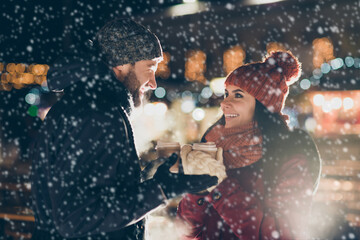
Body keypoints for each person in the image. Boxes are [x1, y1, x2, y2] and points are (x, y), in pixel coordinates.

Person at [30, 18, 218, 240]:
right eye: (149, 68)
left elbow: (94, 196)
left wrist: (151, 179)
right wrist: (160, 190)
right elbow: (77, 216)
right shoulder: (96, 115)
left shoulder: (88, 106)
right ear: (120, 64)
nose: (153, 83)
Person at [177, 51, 322, 239]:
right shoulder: (213, 144)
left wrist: (221, 185)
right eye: (226, 94)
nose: (224, 104)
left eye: (238, 95)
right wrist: (196, 187)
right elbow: (186, 232)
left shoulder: (289, 153)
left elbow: (279, 235)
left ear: (263, 103)